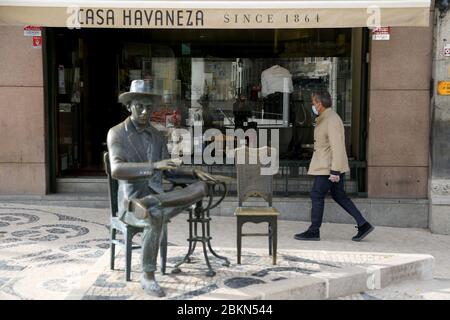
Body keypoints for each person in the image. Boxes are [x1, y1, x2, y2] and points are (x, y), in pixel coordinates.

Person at [107, 79, 215, 297]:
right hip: (131, 203)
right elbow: (117, 169)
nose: (146, 111)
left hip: (156, 197)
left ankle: (156, 202)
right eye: (140, 106)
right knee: (155, 215)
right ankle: (148, 276)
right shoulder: (116, 133)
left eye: (149, 107)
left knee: (202, 186)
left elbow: (168, 170)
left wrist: (193, 171)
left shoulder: (157, 136)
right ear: (129, 106)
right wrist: (153, 166)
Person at [294, 91, 374, 242]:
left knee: (317, 195)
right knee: (338, 195)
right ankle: (363, 224)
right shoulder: (325, 118)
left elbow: (337, 147)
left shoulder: (331, 120)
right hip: (329, 166)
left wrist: (335, 171)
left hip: (329, 167)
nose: (312, 105)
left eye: (313, 102)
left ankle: (314, 231)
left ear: (319, 103)